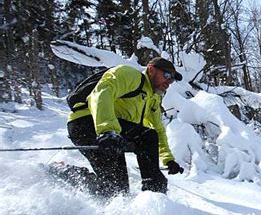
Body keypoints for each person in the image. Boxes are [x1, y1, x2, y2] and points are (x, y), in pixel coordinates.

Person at [56, 57, 184, 197]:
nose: (168, 82)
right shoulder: (130, 75)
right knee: (147, 137)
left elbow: (158, 130)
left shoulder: (152, 97)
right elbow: (102, 93)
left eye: (172, 80)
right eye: (166, 76)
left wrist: (168, 159)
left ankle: (153, 195)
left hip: (114, 132)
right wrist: (107, 131)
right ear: (151, 69)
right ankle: (153, 192)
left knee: (117, 190)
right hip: (86, 123)